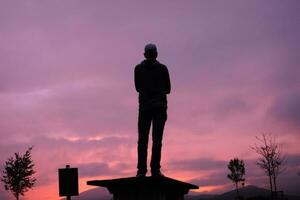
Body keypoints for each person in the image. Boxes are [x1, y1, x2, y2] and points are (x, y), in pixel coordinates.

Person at [134, 43, 171, 177]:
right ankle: (149, 170)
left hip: (152, 108)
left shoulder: (140, 69)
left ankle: (147, 170)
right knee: (152, 140)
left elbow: (138, 87)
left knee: (147, 140)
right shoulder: (160, 69)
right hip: (153, 108)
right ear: (156, 54)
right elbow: (168, 89)